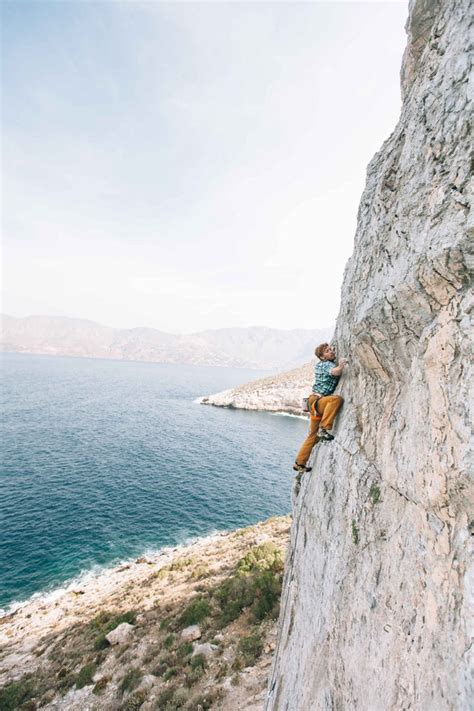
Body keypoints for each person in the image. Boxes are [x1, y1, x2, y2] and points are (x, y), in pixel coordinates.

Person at [293, 343, 346, 473]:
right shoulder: (325, 364)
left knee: (312, 436)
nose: (331, 352)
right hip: (319, 402)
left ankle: (299, 463)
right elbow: (336, 371)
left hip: (314, 403)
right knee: (336, 399)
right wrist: (341, 364)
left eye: (331, 349)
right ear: (322, 357)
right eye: (328, 351)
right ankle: (324, 428)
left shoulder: (322, 363)